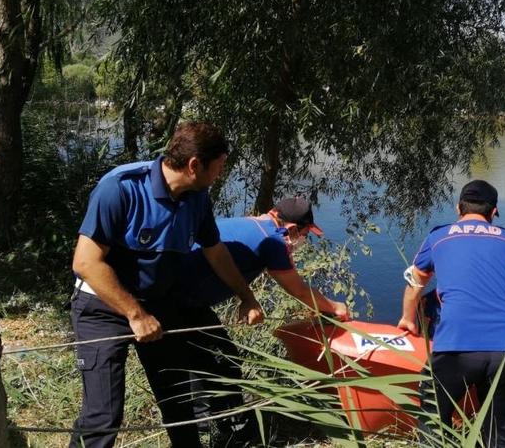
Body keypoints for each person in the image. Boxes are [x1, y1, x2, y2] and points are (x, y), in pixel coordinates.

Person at [69, 122, 264, 448]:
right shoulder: (121, 188)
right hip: (101, 308)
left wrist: (247, 297)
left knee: (178, 401)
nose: (221, 173)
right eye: (219, 165)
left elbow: (215, 252)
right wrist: (134, 314)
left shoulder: (197, 198)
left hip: (157, 306)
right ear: (194, 165)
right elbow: (86, 263)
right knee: (103, 415)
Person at [176, 198, 350, 443]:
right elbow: (298, 290)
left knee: (200, 355)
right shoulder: (273, 242)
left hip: (177, 292)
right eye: (304, 233)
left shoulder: (252, 224)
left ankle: (203, 423)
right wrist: (334, 307)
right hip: (182, 300)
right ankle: (235, 431)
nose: (303, 240)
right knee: (223, 360)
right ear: (291, 229)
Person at [398, 180, 505, 448]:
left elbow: (414, 286)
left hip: (455, 348)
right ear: (493, 212)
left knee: (434, 422)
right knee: (501, 437)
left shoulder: (439, 237)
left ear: (457, 208)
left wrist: (407, 319)